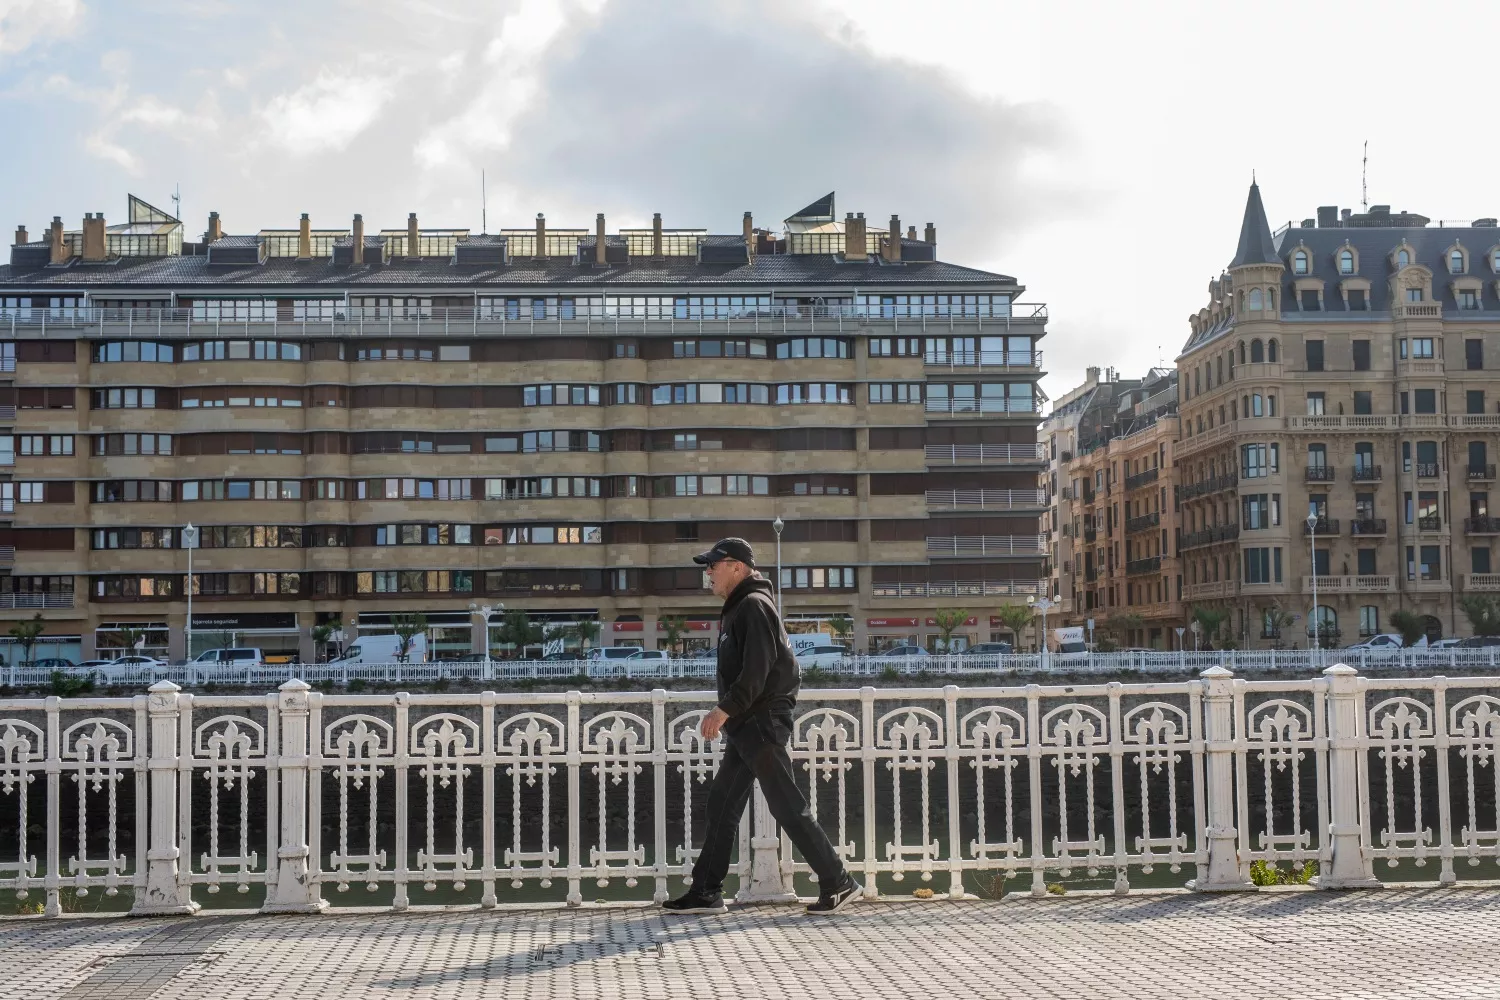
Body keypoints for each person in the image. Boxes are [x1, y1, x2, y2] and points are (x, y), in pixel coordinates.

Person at [662, 537, 862, 916]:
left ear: (736, 566)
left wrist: (723, 710)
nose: (708, 572)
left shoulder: (753, 606)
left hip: (760, 720)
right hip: (747, 723)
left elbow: (758, 669)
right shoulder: (741, 607)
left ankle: (838, 881)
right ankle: (705, 890)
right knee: (723, 804)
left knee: (786, 805)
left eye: (713, 565)